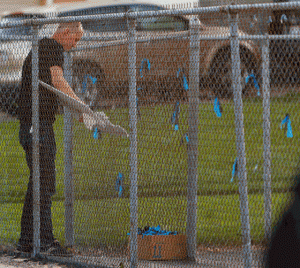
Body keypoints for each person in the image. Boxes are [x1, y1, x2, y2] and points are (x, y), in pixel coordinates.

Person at [16, 22, 84, 255]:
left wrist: (74, 108)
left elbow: (51, 88)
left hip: (29, 126)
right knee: (45, 182)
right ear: (65, 32)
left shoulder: (39, 47)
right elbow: (58, 81)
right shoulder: (53, 48)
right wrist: (81, 107)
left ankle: (27, 240)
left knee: (37, 182)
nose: (73, 46)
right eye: (74, 40)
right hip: (39, 127)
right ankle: (44, 241)